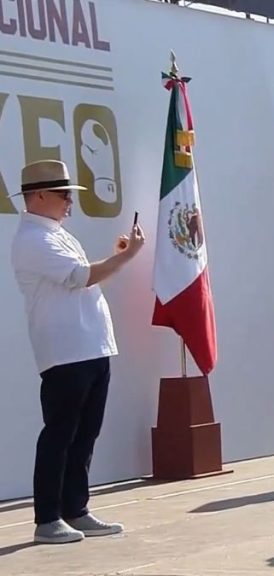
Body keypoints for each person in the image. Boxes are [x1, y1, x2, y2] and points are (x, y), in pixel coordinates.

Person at [9, 160, 145, 544]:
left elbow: (82, 273)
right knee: (60, 433)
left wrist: (114, 256)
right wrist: (126, 256)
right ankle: (47, 518)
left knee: (85, 433)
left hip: (90, 346)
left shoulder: (56, 234)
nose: (70, 201)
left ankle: (75, 509)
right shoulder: (34, 239)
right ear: (39, 195)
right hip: (65, 350)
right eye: (63, 194)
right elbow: (81, 276)